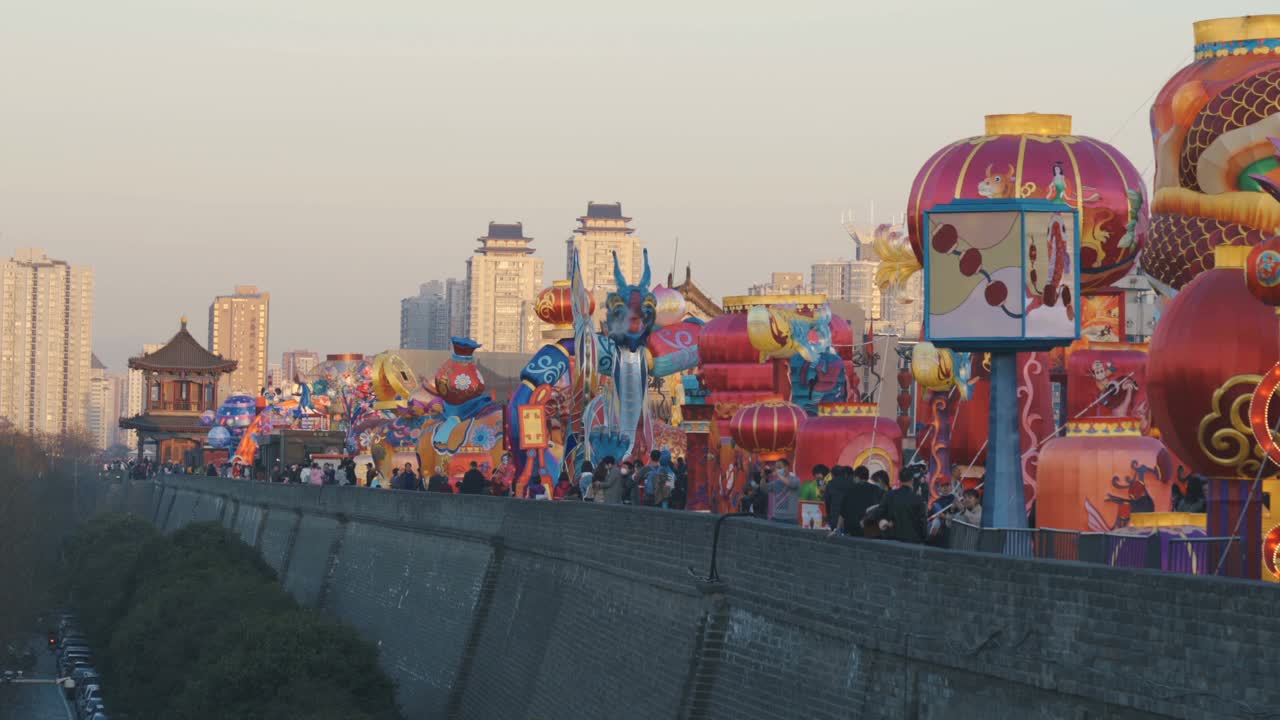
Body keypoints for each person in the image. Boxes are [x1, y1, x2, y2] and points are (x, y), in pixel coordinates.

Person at [827, 466, 883, 538]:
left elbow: (842, 513)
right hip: (871, 530)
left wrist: (837, 530)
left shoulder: (850, 490)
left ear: (856, 477)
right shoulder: (877, 490)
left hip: (852, 530)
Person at [876, 467, 928, 543]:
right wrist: (924, 537)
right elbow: (922, 522)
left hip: (892, 539)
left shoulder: (889, 495)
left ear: (899, 480)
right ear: (912, 480)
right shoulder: (918, 499)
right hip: (912, 541)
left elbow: (879, 512)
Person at [766, 459, 801, 524]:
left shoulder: (796, 479)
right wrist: (762, 478)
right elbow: (764, 488)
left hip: (790, 519)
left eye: (779, 467)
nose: (777, 470)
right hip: (776, 517)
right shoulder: (775, 482)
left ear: (787, 467)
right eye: (776, 468)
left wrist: (778, 475)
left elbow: (791, 484)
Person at [823, 466, 854, 530]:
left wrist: (829, 515)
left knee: (834, 536)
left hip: (835, 515)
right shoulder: (851, 484)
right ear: (844, 474)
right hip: (848, 517)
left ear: (832, 474)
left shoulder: (830, 484)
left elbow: (827, 501)